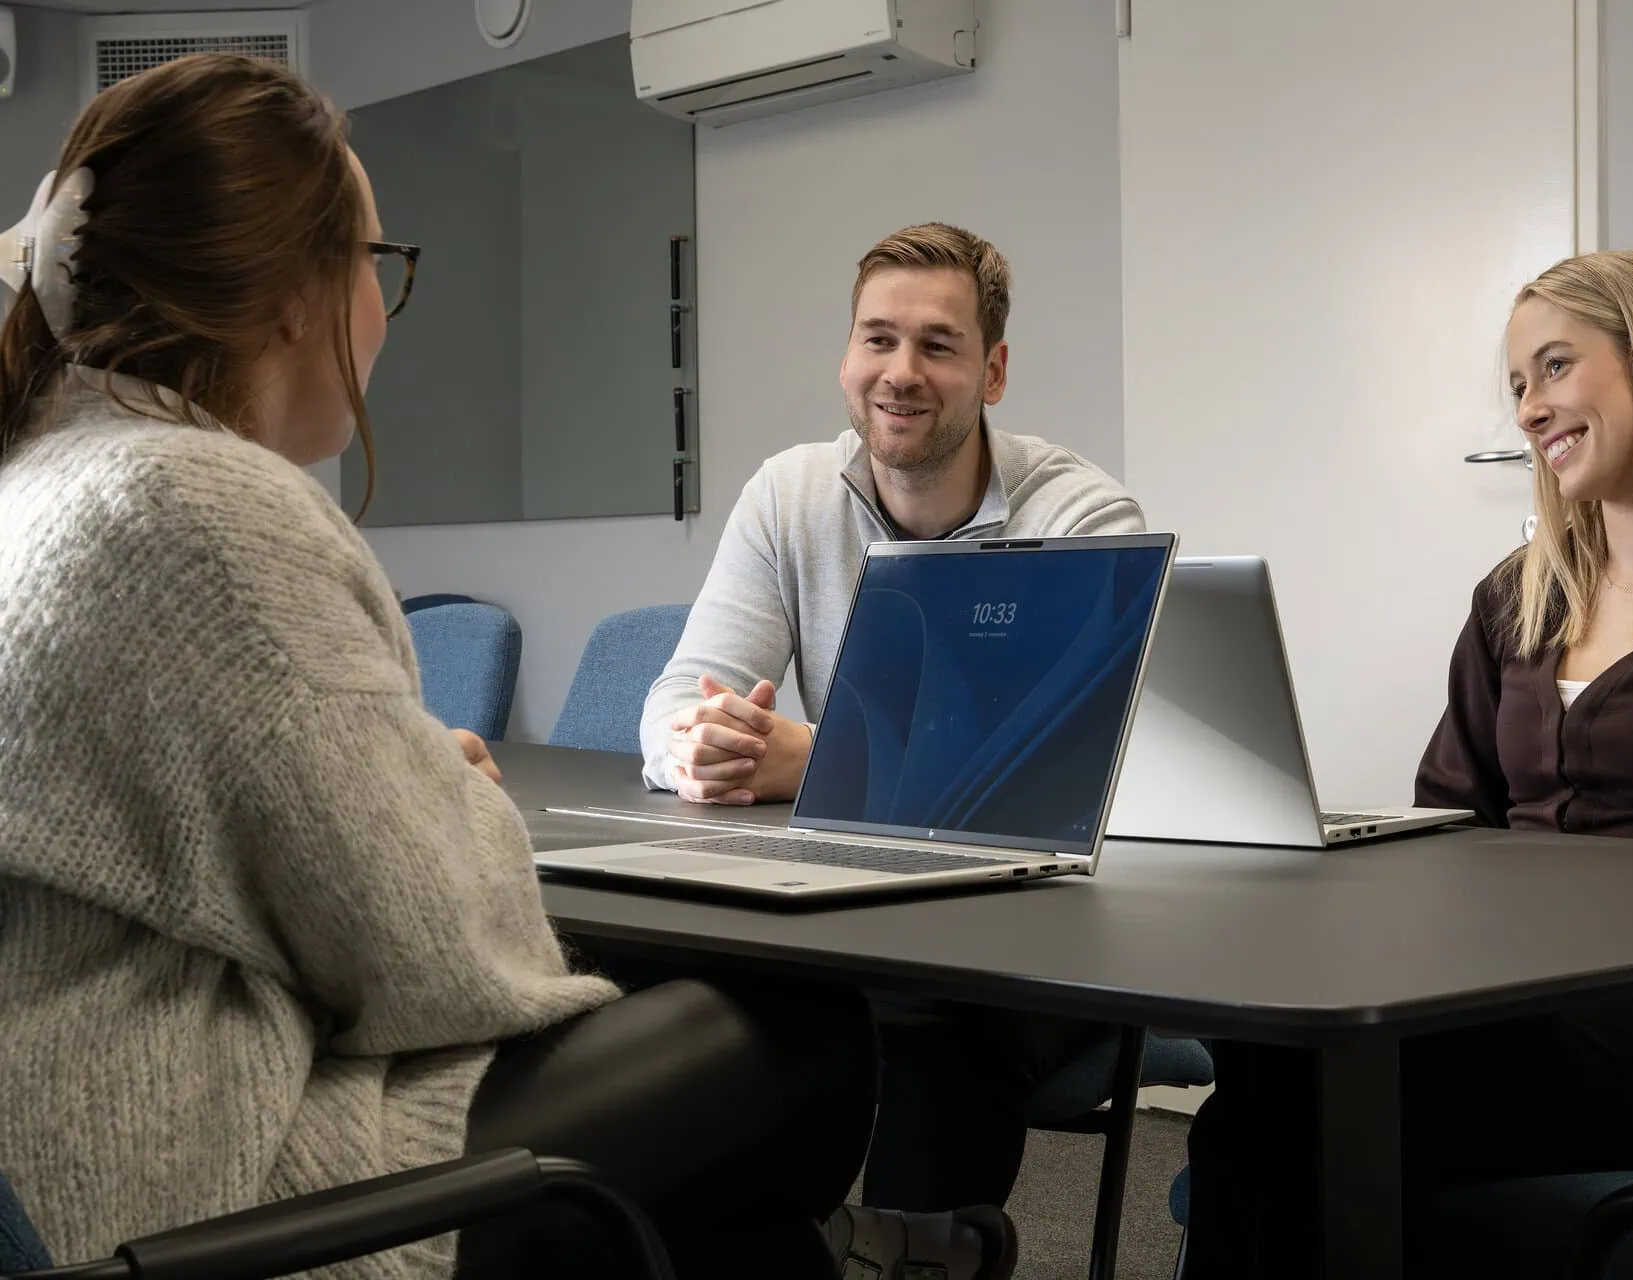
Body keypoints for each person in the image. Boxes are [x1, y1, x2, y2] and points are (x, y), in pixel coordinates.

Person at [0, 55, 1002, 1280]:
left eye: (937, 345)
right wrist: (451, 800)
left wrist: (409, 785)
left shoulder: (48, 474)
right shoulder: (205, 506)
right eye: (377, 264)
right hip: (192, 1182)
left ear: (990, 373)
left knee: (741, 1215)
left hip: (62, 1153)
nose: (385, 308)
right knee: (796, 1033)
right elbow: (442, 960)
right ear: (296, 299)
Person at [1181, 250, 1633, 1274]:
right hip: (1502, 994)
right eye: (1518, 384)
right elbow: (1447, 818)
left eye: (1554, 368)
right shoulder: (1517, 597)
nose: (1528, 410)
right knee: (1272, 1068)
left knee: (1310, 1098)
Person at [637, 223, 1144, 1215]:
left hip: (1038, 938)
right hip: (847, 909)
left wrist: (819, 761)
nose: (900, 372)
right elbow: (675, 695)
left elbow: (1053, 776)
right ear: (846, 358)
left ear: (993, 371)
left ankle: (930, 1249)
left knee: (924, 1011)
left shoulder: (1082, 519)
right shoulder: (788, 497)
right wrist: (696, 750)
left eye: (937, 346)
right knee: (655, 975)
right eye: (878, 338)